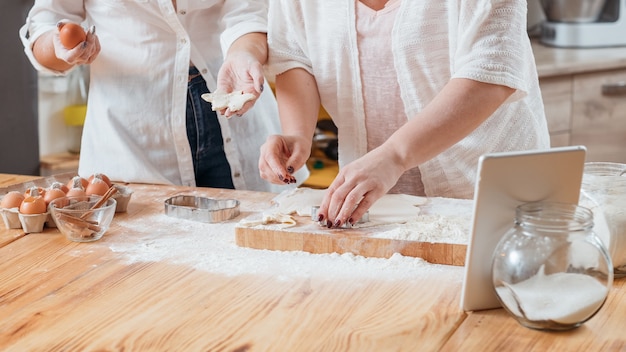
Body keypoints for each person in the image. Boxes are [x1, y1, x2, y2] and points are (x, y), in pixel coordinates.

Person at [258, 0, 550, 227]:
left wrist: (395, 156)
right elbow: (294, 57)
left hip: (488, 194)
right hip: (376, 207)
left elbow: (490, 74)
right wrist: (298, 133)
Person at [19, 0, 307, 191]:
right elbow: (47, 24)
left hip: (235, 103)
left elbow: (249, 12)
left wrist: (243, 54)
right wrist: (60, 48)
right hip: (132, 136)